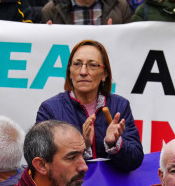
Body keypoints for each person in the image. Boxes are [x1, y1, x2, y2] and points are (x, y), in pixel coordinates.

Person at [36, 40, 143, 172]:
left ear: (104, 74)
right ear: (69, 72)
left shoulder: (120, 105)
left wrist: (114, 143)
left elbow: (135, 160)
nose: (83, 71)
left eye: (92, 65)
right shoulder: (50, 109)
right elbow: (42, 160)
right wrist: (82, 146)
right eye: (77, 64)